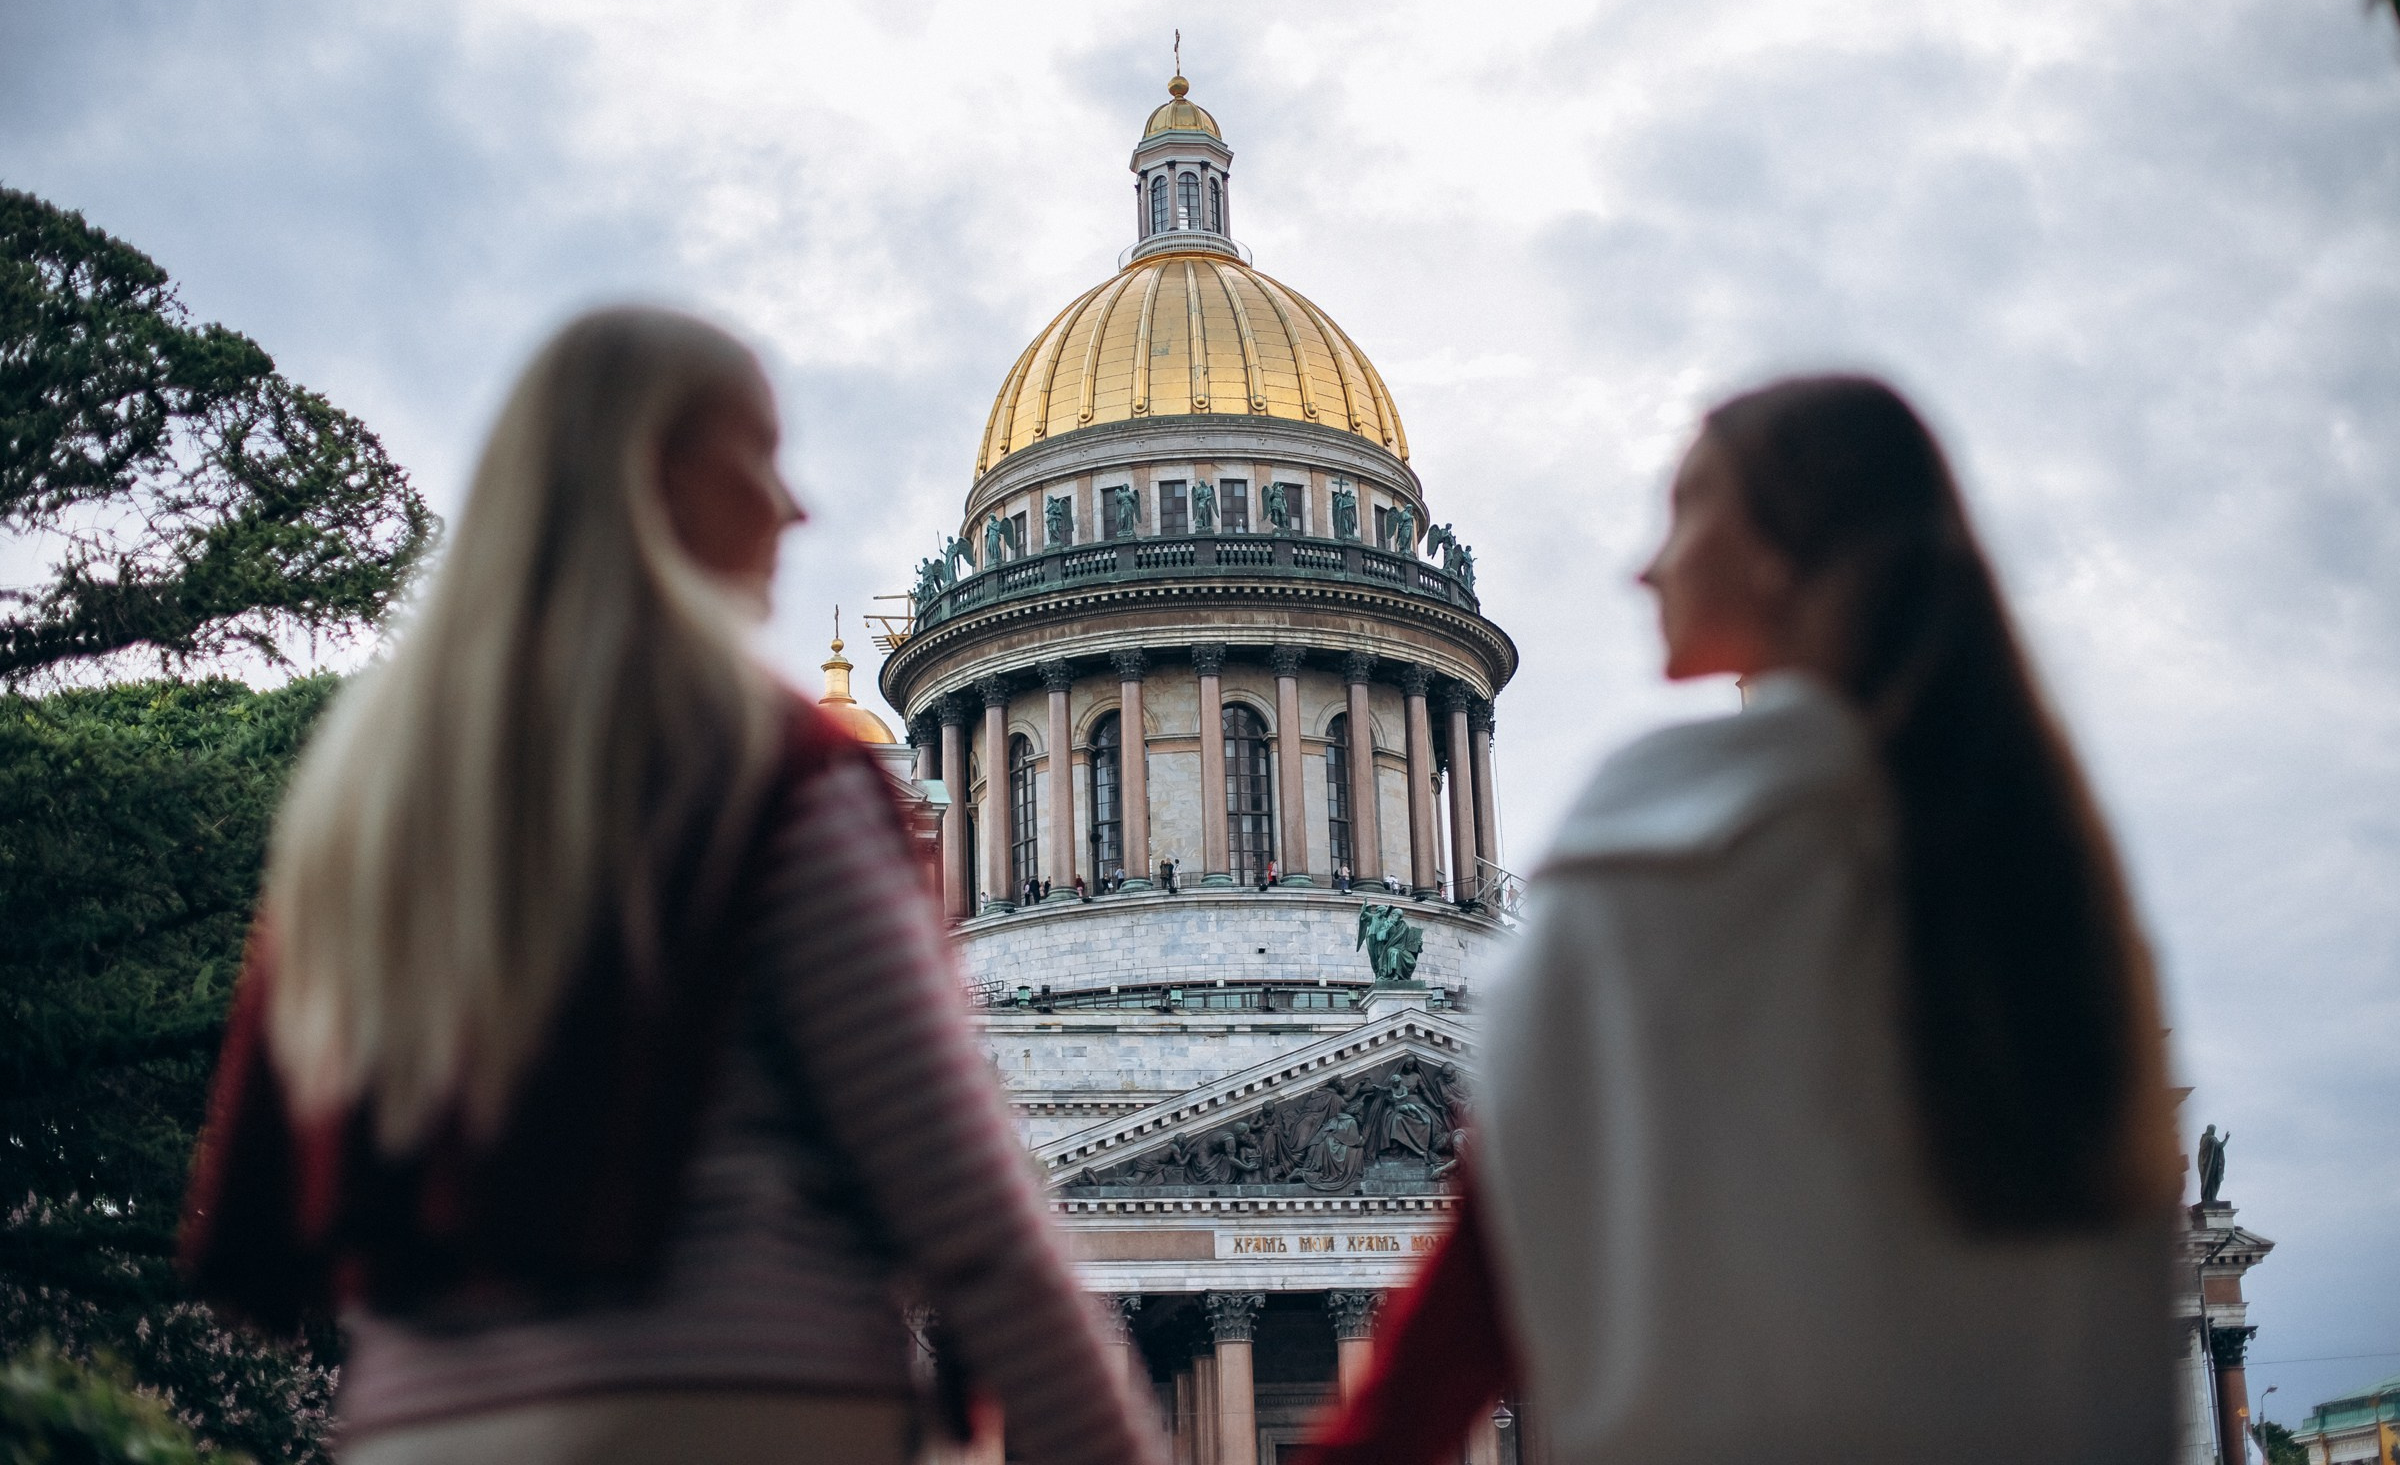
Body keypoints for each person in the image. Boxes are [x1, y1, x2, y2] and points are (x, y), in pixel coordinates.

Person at [179, 308, 1165, 1465]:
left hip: (420, 1426)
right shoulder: (770, 766)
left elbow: (252, 1220)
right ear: (652, 477)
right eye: (754, 454)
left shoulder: (364, 790)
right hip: (729, 1406)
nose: (792, 506)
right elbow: (966, 1202)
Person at [1301, 376, 2180, 1465]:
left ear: (1776, 554)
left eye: (1685, 511)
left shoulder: (1660, 845)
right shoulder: (2063, 911)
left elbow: (1486, 1276)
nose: (1646, 562)